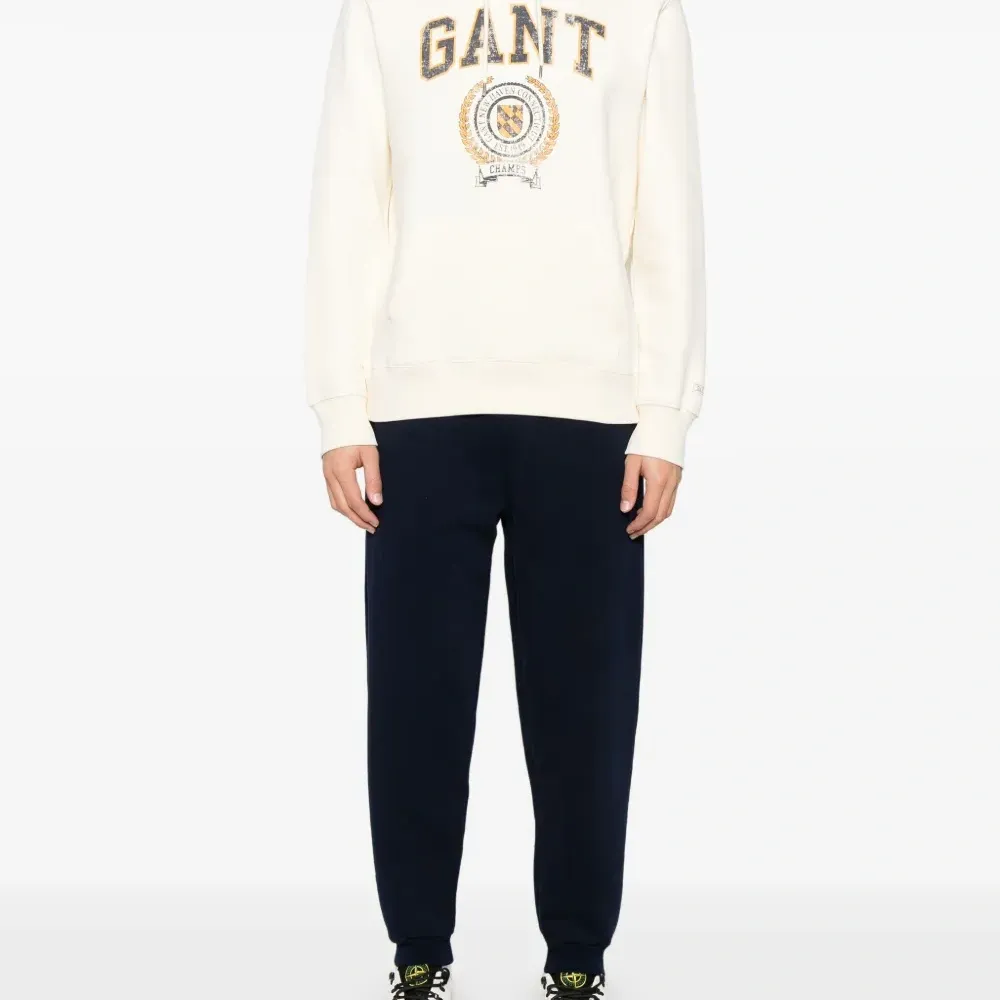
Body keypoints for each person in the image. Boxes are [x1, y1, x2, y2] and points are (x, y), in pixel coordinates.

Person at [305, 0, 704, 997]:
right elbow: (348, 202)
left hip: (591, 405)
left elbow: (667, 213)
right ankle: (417, 951)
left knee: (585, 708)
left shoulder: (644, 13)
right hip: (417, 403)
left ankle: (576, 958)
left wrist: (664, 413)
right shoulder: (381, 11)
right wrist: (339, 404)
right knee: (416, 699)